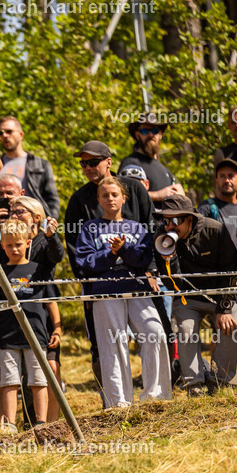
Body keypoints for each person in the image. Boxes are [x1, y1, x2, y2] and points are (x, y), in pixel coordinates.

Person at [64, 139, 157, 383]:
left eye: (93, 162)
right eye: (84, 164)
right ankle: (113, 400)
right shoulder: (78, 200)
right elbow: (75, 248)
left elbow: (151, 229)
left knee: (156, 333)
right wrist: (89, 282)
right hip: (100, 286)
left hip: (141, 280)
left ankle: (158, 393)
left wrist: (152, 270)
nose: (88, 168)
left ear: (109, 162)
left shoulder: (134, 189)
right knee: (105, 344)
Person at [75, 176, 171, 408]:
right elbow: (84, 262)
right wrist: (111, 254)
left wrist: (124, 248)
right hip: (106, 291)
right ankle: (119, 402)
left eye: (114, 194)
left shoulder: (136, 227)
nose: (110, 199)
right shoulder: (90, 228)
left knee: (154, 332)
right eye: (105, 195)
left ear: (124, 198)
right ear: (98, 199)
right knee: (114, 342)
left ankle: (155, 396)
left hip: (137, 288)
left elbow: (144, 257)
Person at [156, 194, 237, 395]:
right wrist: (170, 259)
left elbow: (232, 271)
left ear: (189, 218)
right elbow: (172, 284)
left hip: (219, 295)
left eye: (175, 220)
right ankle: (194, 385)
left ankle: (219, 380)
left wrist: (225, 307)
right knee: (186, 329)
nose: (170, 226)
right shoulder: (162, 237)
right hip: (188, 298)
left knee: (231, 323)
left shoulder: (214, 229)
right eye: (165, 220)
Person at [0, 219, 56, 430]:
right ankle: (10, 424)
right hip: (7, 335)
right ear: (2, 246)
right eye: (8, 245)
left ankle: (41, 423)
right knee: (9, 381)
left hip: (36, 333)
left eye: (18, 244)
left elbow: (50, 300)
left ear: (28, 242)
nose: (14, 249)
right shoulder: (0, 271)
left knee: (38, 380)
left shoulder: (39, 270)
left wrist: (58, 328)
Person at [199, 158, 237, 355]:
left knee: (236, 320)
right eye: (222, 176)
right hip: (218, 276)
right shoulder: (207, 208)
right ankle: (217, 370)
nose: (226, 180)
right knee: (219, 324)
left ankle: (228, 365)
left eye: (231, 176)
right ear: (216, 181)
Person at [0, 116, 60, 223]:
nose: (4, 135)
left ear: (21, 135)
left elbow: (52, 199)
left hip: (34, 226)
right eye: (0, 133)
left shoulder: (40, 164)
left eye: (9, 131)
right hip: (2, 227)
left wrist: (49, 223)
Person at [120, 113, 184, 202]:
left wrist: (180, 194)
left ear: (160, 135)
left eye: (154, 131)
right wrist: (157, 195)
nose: (150, 135)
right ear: (137, 135)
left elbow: (180, 191)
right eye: (145, 131)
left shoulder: (166, 170)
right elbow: (123, 193)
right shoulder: (130, 163)